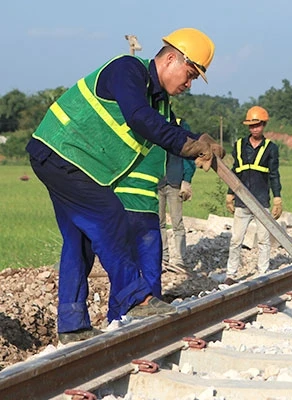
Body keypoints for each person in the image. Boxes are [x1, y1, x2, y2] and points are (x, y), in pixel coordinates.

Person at [26, 27, 225, 344]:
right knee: (109, 216)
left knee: (80, 239)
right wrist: (188, 146)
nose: (188, 85)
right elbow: (139, 118)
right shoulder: (127, 70)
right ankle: (136, 298)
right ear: (171, 58)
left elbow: (162, 127)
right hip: (60, 153)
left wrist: (196, 141)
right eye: (188, 75)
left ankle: (72, 324)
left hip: (78, 164)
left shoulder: (158, 102)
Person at [225, 106, 282, 285]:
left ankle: (263, 272)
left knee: (264, 239)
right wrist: (229, 193)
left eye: (257, 125)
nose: (254, 129)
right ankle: (231, 274)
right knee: (236, 239)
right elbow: (235, 171)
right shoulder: (239, 145)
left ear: (263, 125)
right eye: (251, 126)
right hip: (242, 202)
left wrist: (277, 197)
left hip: (261, 201)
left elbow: (274, 174)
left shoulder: (271, 148)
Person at [115, 145, 167, 299]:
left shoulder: (119, 141)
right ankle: (154, 303)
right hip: (148, 211)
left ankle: (124, 312)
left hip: (121, 208)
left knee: (123, 264)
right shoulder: (158, 145)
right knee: (151, 266)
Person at [159, 118, 197, 271]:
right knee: (159, 222)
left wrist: (186, 180)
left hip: (175, 181)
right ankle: (163, 258)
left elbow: (189, 155)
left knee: (177, 222)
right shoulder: (154, 122)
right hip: (158, 180)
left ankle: (180, 259)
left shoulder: (181, 125)